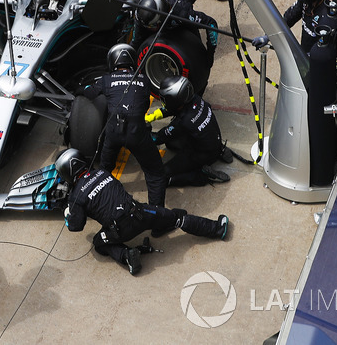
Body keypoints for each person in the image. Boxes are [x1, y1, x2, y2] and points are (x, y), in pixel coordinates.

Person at [57, 149, 229, 275]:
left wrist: (67, 213)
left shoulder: (76, 197)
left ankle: (127, 256)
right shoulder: (102, 172)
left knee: (98, 243)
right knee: (177, 218)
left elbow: (75, 226)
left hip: (119, 230)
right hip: (141, 212)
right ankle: (218, 229)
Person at [79, 44, 167, 207]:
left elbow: (88, 93)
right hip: (138, 132)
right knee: (155, 174)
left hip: (113, 132)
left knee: (104, 172)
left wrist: (85, 87)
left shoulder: (106, 80)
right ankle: (158, 221)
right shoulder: (145, 80)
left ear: (113, 62)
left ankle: (102, 206)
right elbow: (144, 105)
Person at [151, 76, 232, 186]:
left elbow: (158, 138)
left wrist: (138, 131)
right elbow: (174, 108)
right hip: (213, 143)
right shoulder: (196, 99)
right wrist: (154, 116)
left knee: (160, 178)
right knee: (170, 144)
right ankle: (219, 151)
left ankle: (202, 176)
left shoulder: (183, 122)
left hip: (202, 154)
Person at [132, 0, 219, 69]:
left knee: (198, 58)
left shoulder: (183, 13)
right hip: (159, 20)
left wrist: (210, 53)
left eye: (153, 26)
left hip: (182, 26)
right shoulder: (140, 16)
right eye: (148, 27)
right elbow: (135, 42)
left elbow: (211, 24)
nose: (150, 29)